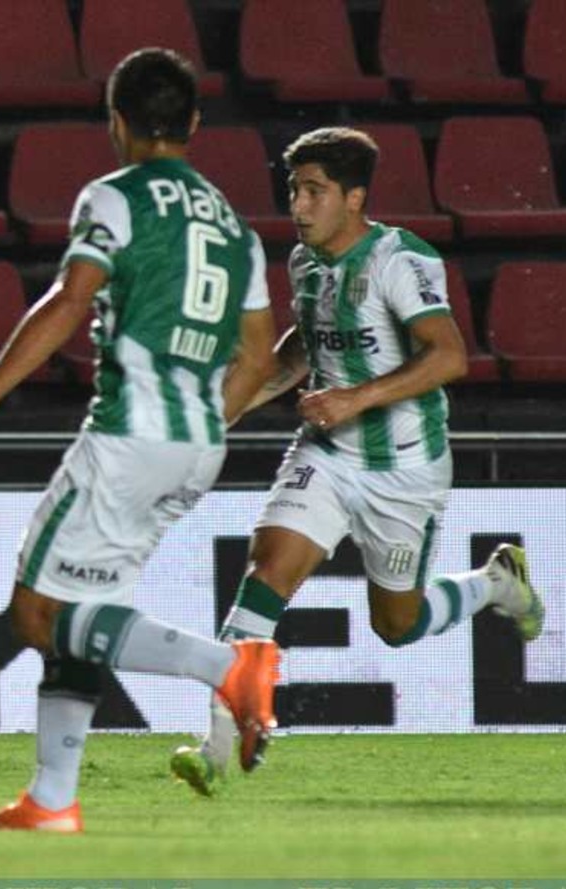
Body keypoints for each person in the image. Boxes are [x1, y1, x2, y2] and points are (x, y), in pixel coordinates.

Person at [0, 48, 282, 833]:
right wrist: (203, 420)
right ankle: (52, 798)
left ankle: (229, 667)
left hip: (126, 437)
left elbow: (67, 299)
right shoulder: (237, 230)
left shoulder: (114, 198)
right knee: (83, 614)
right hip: (199, 442)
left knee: (34, 616)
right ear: (190, 124)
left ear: (115, 122)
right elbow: (257, 354)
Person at [169, 127, 545, 796]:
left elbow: (449, 356)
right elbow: (298, 351)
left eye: (314, 192)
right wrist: (222, 411)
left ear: (353, 198)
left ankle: (495, 581)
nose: (299, 205)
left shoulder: (399, 260)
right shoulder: (306, 264)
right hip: (327, 455)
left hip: (404, 468)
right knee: (264, 576)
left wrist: (356, 398)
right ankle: (216, 751)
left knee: (395, 626)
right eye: (293, 190)